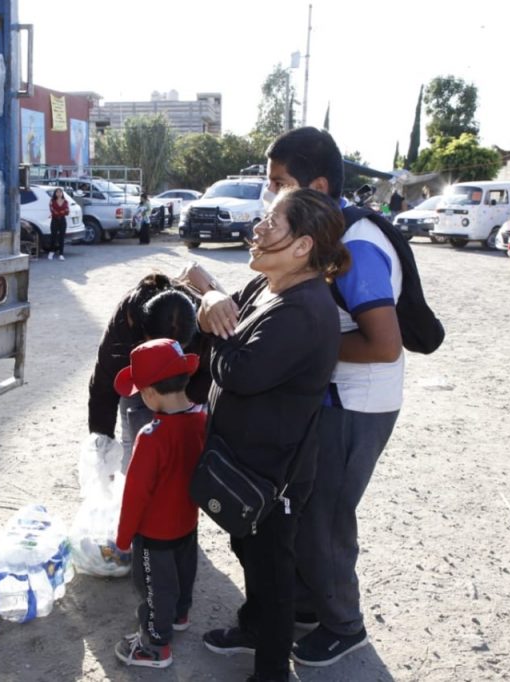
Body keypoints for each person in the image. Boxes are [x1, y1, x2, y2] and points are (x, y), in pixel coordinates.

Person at [252, 126, 404, 668]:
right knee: (309, 511)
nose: (271, 196)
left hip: (358, 404)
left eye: (280, 183)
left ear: (315, 184)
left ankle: (345, 626)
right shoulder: (326, 231)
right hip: (334, 399)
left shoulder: (357, 247)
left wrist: (306, 349)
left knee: (327, 519)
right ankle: (311, 606)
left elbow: (384, 344)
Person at [198, 187, 346, 682]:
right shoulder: (270, 287)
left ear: (302, 246)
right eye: (262, 218)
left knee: (273, 573)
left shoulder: (305, 310)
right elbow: (228, 310)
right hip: (245, 459)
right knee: (249, 553)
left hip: (274, 474)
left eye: (271, 223)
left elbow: (240, 372)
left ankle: (271, 672)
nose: (258, 229)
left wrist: (211, 324)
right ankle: (252, 627)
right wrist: (214, 297)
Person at [112, 338, 207, 669]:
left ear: (150, 394)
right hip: (188, 522)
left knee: (154, 588)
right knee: (184, 573)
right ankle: (180, 615)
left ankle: (155, 646)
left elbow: (135, 495)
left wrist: (123, 539)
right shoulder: (202, 420)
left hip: (155, 535)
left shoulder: (151, 437)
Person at [87, 272, 213, 469]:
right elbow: (103, 385)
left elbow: (210, 372)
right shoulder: (125, 323)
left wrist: (184, 400)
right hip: (141, 390)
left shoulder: (204, 323)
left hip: (186, 392)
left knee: (185, 452)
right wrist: (103, 445)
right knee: (136, 451)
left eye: (177, 349)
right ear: (144, 334)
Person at [48, 187, 70, 261]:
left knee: (62, 237)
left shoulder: (65, 201)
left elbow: (67, 211)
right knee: (53, 236)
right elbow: (52, 210)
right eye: (57, 192)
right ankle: (51, 252)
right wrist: (60, 212)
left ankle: (61, 254)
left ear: (62, 193)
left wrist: (60, 213)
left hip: (62, 220)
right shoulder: (52, 201)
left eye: (60, 192)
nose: (59, 193)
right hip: (54, 220)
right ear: (55, 193)